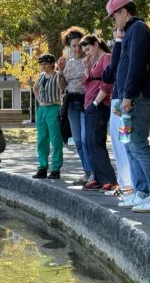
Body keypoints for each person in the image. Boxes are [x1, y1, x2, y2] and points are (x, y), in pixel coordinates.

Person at [106, 0, 150, 212]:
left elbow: (136, 66)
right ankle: (141, 192)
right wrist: (118, 40)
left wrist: (128, 96)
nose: (114, 22)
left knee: (138, 145)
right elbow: (115, 68)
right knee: (130, 146)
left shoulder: (139, 29)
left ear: (124, 12)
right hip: (129, 99)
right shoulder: (128, 33)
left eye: (114, 17)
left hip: (139, 98)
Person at [80, 35, 117, 192]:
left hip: (99, 105)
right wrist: (87, 66)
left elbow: (107, 82)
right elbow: (88, 82)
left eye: (88, 49)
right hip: (90, 104)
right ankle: (97, 176)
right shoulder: (94, 62)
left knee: (96, 142)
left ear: (96, 44)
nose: (87, 53)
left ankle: (108, 179)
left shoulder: (106, 57)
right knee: (88, 143)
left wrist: (96, 102)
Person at [102, 28, 133, 197]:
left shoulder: (124, 47)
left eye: (117, 30)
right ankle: (124, 183)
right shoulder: (119, 48)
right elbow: (108, 75)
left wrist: (119, 41)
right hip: (117, 100)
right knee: (117, 141)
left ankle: (130, 185)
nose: (115, 32)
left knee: (124, 141)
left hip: (123, 101)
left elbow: (111, 69)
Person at [60, 26, 93, 186]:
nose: (77, 48)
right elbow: (61, 86)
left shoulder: (90, 59)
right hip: (72, 103)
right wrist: (60, 71)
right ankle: (87, 173)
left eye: (79, 45)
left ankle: (94, 172)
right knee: (78, 140)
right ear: (69, 47)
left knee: (87, 139)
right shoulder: (68, 64)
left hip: (86, 101)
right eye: (73, 45)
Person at [32, 54, 64, 179]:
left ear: (52, 64)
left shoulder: (57, 75)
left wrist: (59, 102)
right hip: (41, 109)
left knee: (55, 139)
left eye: (45, 63)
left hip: (53, 108)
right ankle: (42, 167)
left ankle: (55, 168)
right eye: (41, 64)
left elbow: (62, 89)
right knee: (41, 139)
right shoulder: (40, 76)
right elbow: (35, 88)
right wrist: (39, 100)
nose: (43, 66)